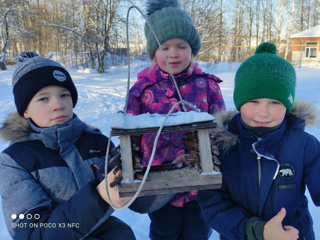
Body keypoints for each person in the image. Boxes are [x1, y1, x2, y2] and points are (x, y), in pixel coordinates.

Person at [0, 51, 135, 240]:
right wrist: (99, 197)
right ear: (25, 111)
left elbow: (140, 200)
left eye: (64, 95)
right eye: (43, 98)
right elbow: (32, 234)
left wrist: (157, 168)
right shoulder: (14, 161)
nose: (58, 105)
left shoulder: (96, 142)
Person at [197, 42, 320, 240]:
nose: (263, 112)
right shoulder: (220, 147)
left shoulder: (306, 146)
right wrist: (257, 231)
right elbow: (212, 204)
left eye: (275, 102)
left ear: (287, 104)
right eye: (253, 101)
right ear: (239, 101)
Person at [126, 0, 225, 239]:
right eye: (164, 47)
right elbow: (130, 136)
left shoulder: (208, 86)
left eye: (181, 46)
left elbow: (221, 130)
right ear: (153, 51)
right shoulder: (142, 90)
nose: (173, 53)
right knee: (164, 232)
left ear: (192, 49)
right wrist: (131, 164)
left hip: (199, 185)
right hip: (159, 185)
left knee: (197, 231)